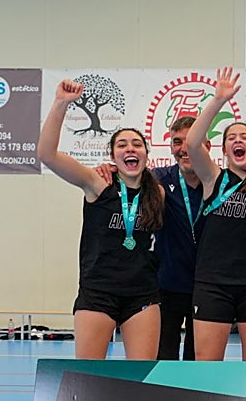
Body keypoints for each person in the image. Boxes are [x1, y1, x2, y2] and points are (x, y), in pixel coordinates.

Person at [39, 79, 164, 360]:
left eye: (137, 144)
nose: (130, 148)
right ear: (113, 156)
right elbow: (47, 155)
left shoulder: (157, 193)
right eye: (122, 145)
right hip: (98, 293)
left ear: (146, 154)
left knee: (140, 376)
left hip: (142, 295)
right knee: (89, 374)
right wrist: (61, 104)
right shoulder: (97, 183)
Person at [186, 71, 246, 362]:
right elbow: (192, 144)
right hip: (213, 284)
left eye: (245, 137)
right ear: (225, 149)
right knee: (207, 366)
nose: (238, 140)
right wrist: (218, 100)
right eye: (231, 138)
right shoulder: (213, 177)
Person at [153, 116, 208, 361]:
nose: (184, 148)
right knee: (163, 360)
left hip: (207, 290)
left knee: (197, 364)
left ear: (206, 145)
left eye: (191, 141)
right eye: (177, 142)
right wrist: (110, 169)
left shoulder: (219, 182)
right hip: (166, 287)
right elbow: (129, 179)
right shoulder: (159, 178)